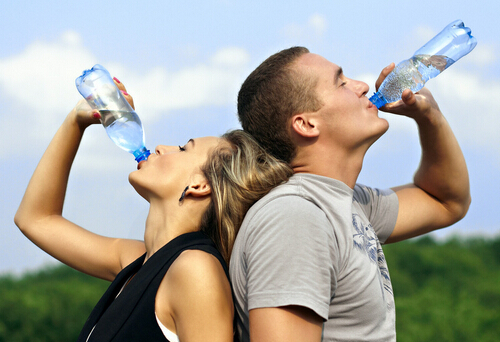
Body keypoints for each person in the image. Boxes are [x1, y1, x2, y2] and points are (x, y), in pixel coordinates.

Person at [14, 79, 293, 342]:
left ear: (199, 184)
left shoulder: (195, 270)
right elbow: (35, 219)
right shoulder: (137, 261)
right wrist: (76, 121)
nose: (161, 147)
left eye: (183, 149)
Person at [230, 46, 471, 341]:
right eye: (341, 82)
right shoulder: (296, 218)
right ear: (306, 124)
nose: (363, 86)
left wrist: (430, 117)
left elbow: (447, 202)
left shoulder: (346, 203)